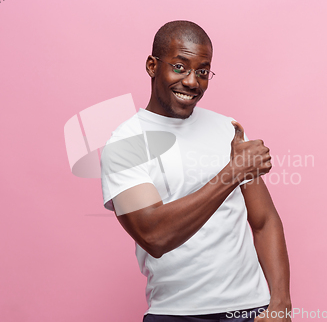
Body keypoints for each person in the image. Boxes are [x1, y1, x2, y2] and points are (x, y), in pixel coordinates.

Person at [101, 20, 292, 322]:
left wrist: (280, 306)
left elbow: (264, 221)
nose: (192, 82)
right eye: (180, 67)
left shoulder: (227, 130)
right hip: (175, 313)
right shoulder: (125, 145)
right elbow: (155, 236)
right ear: (152, 66)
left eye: (202, 72)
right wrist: (233, 173)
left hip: (250, 310)